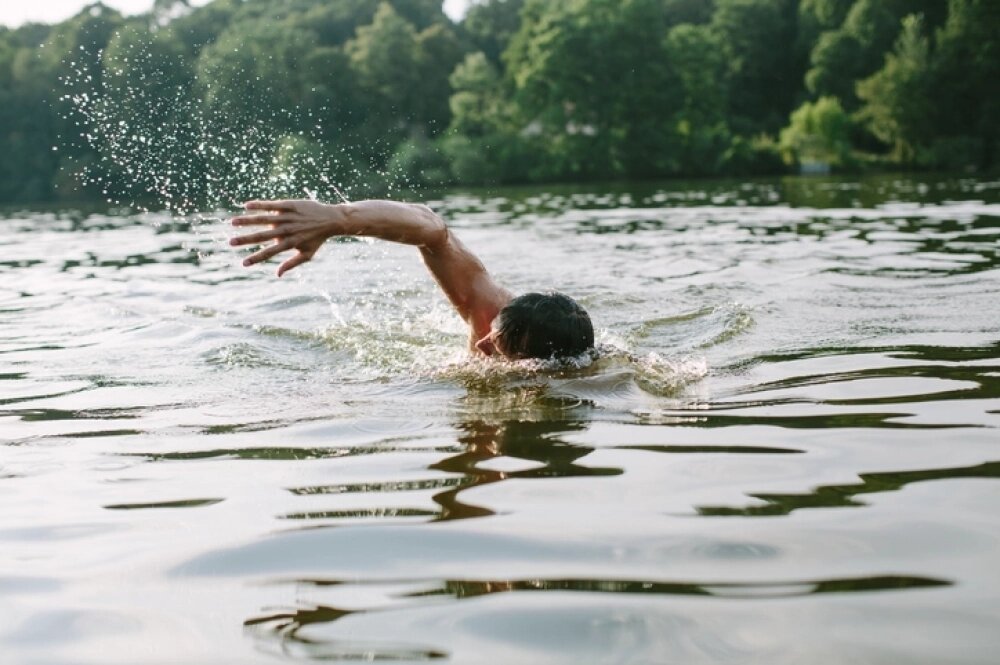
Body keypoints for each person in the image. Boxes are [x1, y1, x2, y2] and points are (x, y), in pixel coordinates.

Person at [229, 199, 594, 360]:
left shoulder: (575, 377)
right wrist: (338, 218)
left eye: (497, 347)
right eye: (491, 333)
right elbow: (433, 229)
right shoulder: (489, 309)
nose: (480, 345)